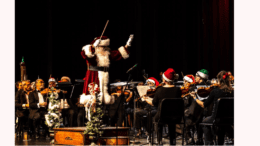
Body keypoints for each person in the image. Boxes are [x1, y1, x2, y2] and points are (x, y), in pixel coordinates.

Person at [80, 35, 133, 105]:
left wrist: (127, 45)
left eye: (105, 47)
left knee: (105, 98)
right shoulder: (92, 52)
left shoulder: (107, 53)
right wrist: (92, 47)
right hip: (93, 76)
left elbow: (117, 54)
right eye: (103, 47)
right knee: (93, 98)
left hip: (105, 76)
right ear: (98, 46)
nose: (105, 49)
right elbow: (85, 54)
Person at [190, 70, 234, 145]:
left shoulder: (215, 91)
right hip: (230, 119)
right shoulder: (233, 92)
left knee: (204, 121)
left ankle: (209, 142)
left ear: (219, 80)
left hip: (216, 118)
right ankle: (228, 138)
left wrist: (195, 97)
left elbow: (204, 105)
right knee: (224, 123)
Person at [152, 68, 182, 145]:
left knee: (156, 117)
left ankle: (159, 140)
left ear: (165, 80)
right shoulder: (178, 90)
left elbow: (154, 103)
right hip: (176, 116)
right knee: (171, 119)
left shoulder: (159, 90)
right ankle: (172, 141)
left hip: (162, 117)